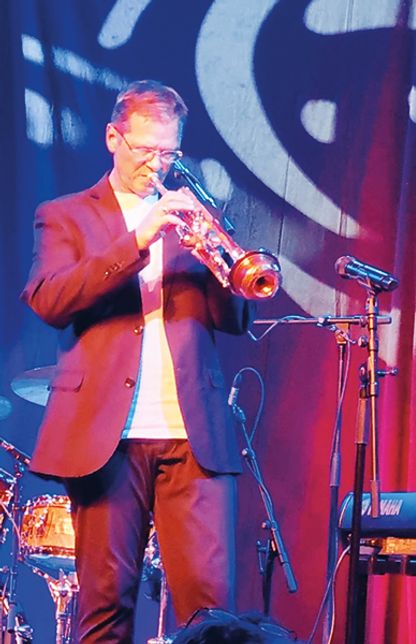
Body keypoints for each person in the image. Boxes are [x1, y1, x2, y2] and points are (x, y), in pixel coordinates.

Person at [21, 80, 252, 642]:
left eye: (168, 152)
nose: (157, 165)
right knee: (104, 611)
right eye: (146, 150)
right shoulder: (65, 215)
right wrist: (139, 240)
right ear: (113, 139)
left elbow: (235, 322)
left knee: (211, 619)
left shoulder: (195, 213)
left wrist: (218, 249)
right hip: (106, 439)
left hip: (191, 436)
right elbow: (49, 300)